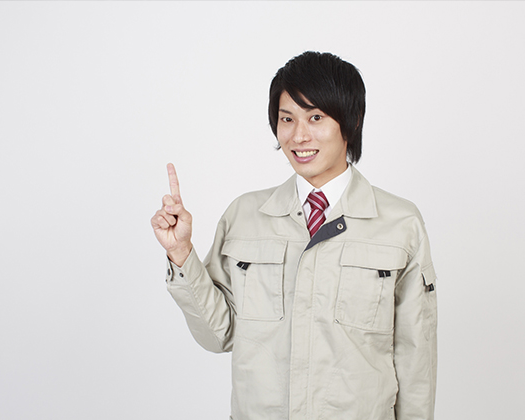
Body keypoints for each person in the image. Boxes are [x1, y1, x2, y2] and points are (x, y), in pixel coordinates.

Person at [151, 51, 438, 420]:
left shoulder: (400, 223)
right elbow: (218, 335)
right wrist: (181, 254)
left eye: (315, 117)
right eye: (287, 119)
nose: (299, 135)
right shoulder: (245, 216)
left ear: (351, 121)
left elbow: (416, 360)